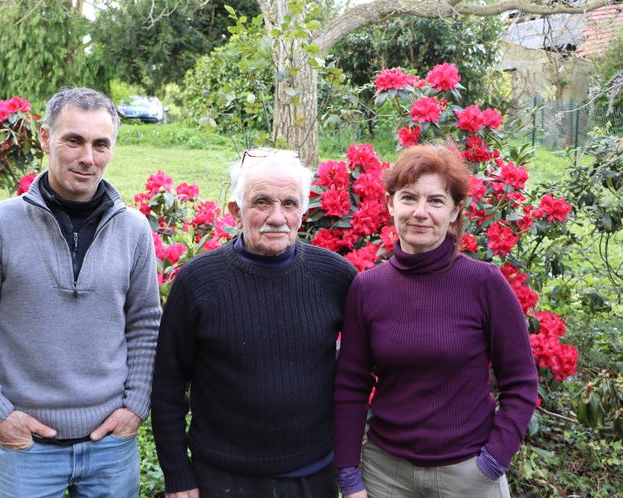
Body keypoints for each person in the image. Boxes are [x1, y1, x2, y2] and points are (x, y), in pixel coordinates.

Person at [0, 87, 161, 498]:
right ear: (46, 139)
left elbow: (146, 325)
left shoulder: (134, 230)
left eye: (101, 144)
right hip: (28, 452)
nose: (88, 157)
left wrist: (135, 407)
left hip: (111, 450)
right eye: (73, 140)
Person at [151, 148, 358, 498]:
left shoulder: (335, 277)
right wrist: (177, 473)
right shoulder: (198, 283)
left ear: (303, 213)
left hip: (313, 477)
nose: (277, 217)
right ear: (236, 210)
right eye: (262, 202)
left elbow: (358, 375)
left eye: (290, 204)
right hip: (223, 479)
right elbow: (168, 385)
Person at [334, 144, 538, 498]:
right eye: (409, 198)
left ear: (456, 210)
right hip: (386, 475)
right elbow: (351, 384)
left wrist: (493, 461)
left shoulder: (484, 283)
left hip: (469, 474)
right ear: (390, 204)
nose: (420, 212)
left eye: (436, 201)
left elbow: (521, 382)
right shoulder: (367, 288)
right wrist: (349, 475)